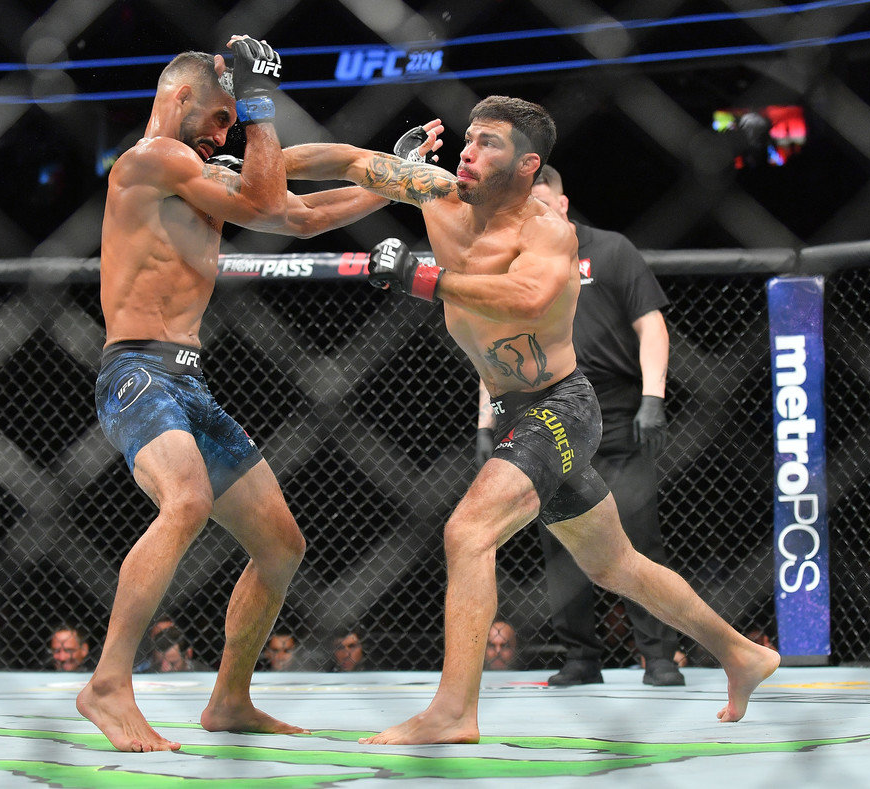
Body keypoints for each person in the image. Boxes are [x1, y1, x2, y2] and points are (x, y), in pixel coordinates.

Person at [283, 95, 780, 744]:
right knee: (616, 564)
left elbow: (528, 294)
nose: (468, 149)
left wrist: (420, 277)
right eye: (469, 137)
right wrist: (254, 167)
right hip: (514, 405)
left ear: (527, 165)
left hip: (560, 409)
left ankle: (455, 711)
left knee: (468, 532)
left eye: (489, 142)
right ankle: (742, 653)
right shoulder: (435, 190)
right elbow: (348, 160)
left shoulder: (547, 230)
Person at [76, 35, 431, 752]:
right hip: (137, 373)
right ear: (180, 99)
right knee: (188, 499)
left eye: (233, 125)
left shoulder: (196, 169)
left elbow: (298, 201)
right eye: (217, 119)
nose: (222, 134)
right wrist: (261, 104)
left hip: (189, 380)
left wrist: (392, 176)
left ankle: (230, 699)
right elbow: (271, 199)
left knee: (280, 544)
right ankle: (108, 683)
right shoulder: (151, 160)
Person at [504, 163, 683, 687]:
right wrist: (488, 422)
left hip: (615, 404)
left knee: (638, 533)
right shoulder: (518, 265)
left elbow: (651, 324)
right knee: (560, 539)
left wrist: (654, 397)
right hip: (548, 407)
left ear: (562, 203)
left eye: (542, 204)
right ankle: (580, 657)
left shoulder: (610, 250)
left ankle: (658, 656)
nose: (534, 215)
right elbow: (498, 345)